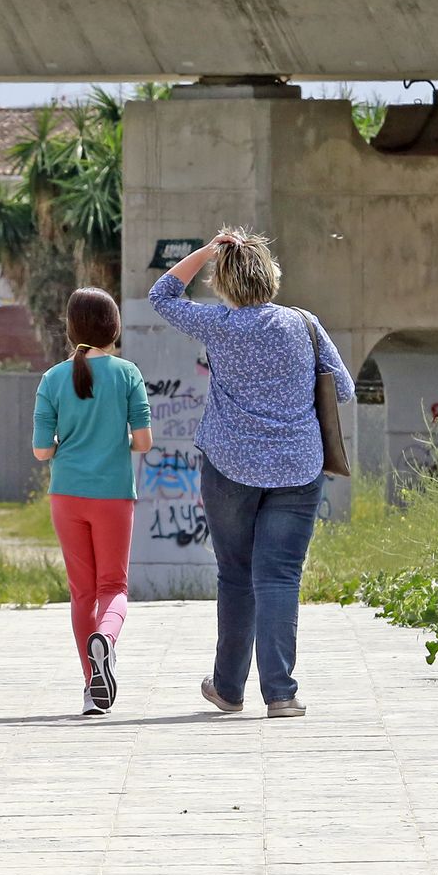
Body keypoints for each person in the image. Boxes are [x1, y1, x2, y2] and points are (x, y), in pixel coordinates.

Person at [149, 229, 354, 718]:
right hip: (297, 468)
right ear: (271, 276)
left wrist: (207, 251)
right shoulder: (304, 323)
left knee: (236, 576)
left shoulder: (218, 324)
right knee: (279, 577)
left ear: (223, 282)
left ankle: (228, 689)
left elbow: (162, 295)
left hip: (230, 467)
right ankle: (281, 694)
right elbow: (343, 389)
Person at [32, 288, 153, 716]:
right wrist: (115, 441)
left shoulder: (52, 379)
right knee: (113, 588)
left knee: (82, 592)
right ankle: (107, 639)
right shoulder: (128, 373)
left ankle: (91, 688)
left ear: (70, 330)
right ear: (114, 328)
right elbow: (144, 442)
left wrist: (66, 441)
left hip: (67, 495)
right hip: (113, 495)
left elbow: (41, 450)